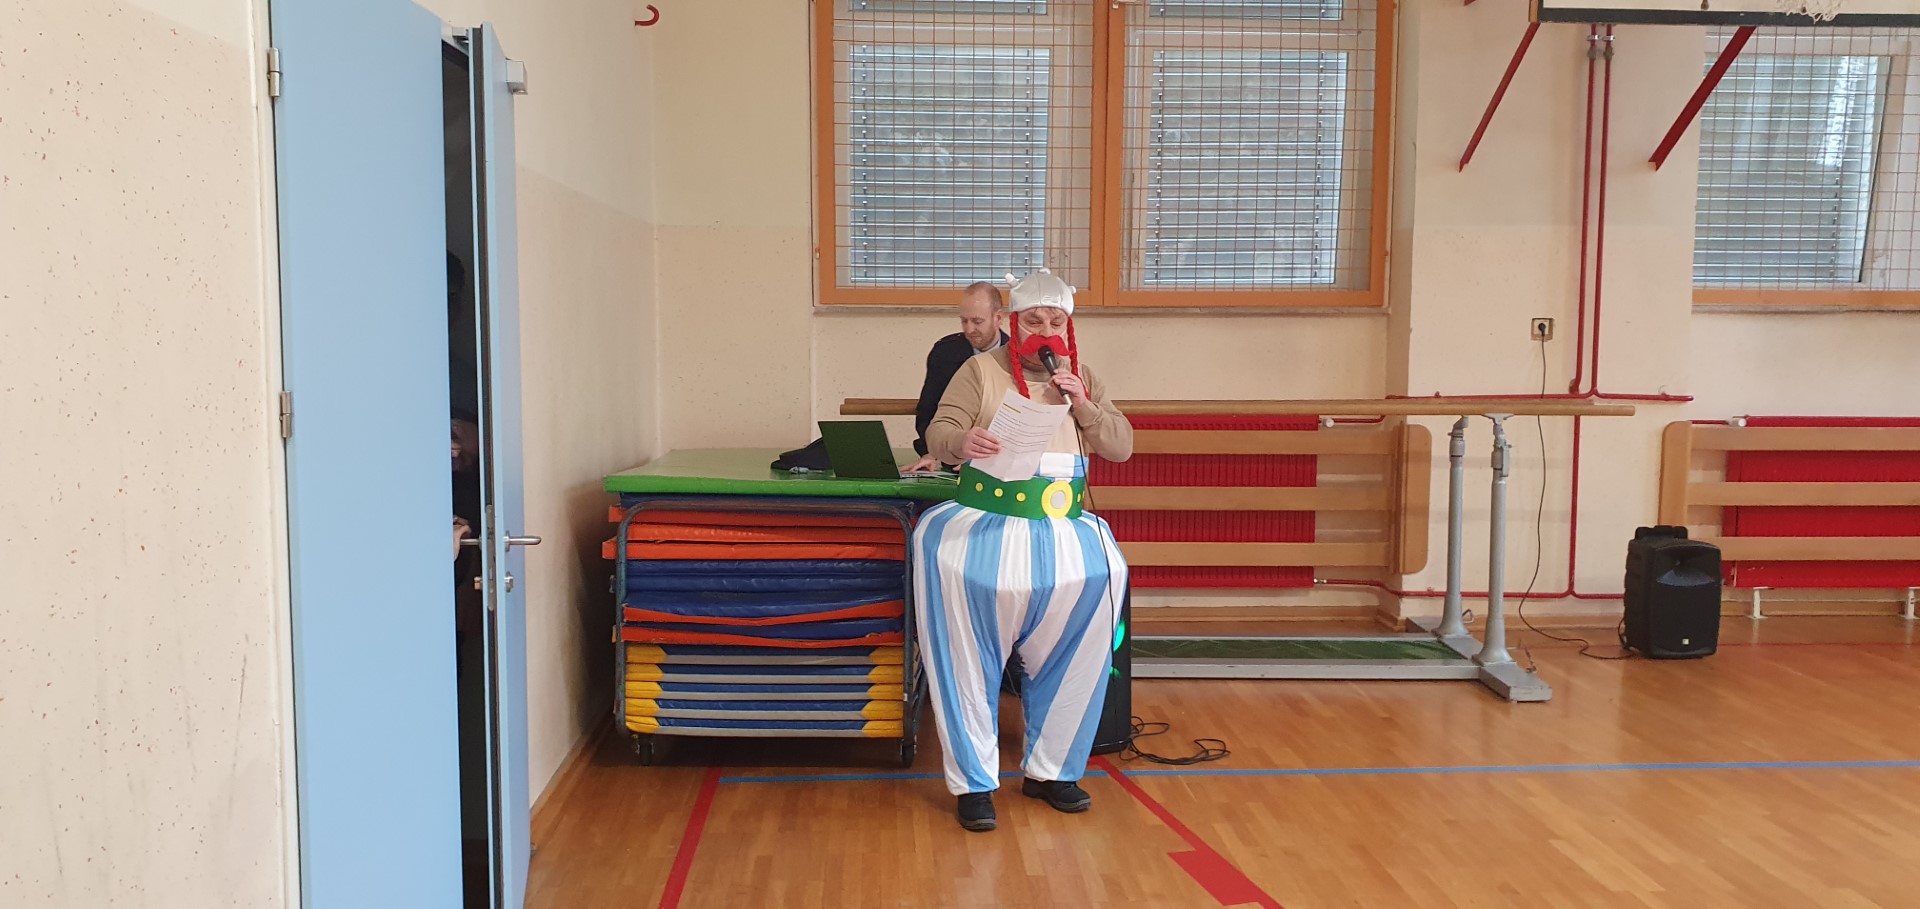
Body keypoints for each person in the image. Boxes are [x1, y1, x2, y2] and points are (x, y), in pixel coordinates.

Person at [913, 268, 1133, 832]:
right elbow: (939, 431)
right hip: (986, 530)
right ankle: (974, 784)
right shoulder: (979, 370)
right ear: (1015, 322)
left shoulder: (1082, 377)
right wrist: (961, 441)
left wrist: (1083, 404)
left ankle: (1053, 772)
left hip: (1063, 534)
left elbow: (1120, 446)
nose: (1046, 331)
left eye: (1056, 321)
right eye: (1034, 320)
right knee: (968, 663)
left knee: (1074, 657)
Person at [903, 282, 1009, 473]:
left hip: (998, 459)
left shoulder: (1016, 357)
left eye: (977, 321)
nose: (969, 329)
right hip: (950, 457)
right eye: (964, 321)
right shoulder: (945, 352)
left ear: (998, 318)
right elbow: (929, 410)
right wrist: (932, 453)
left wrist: (980, 459)